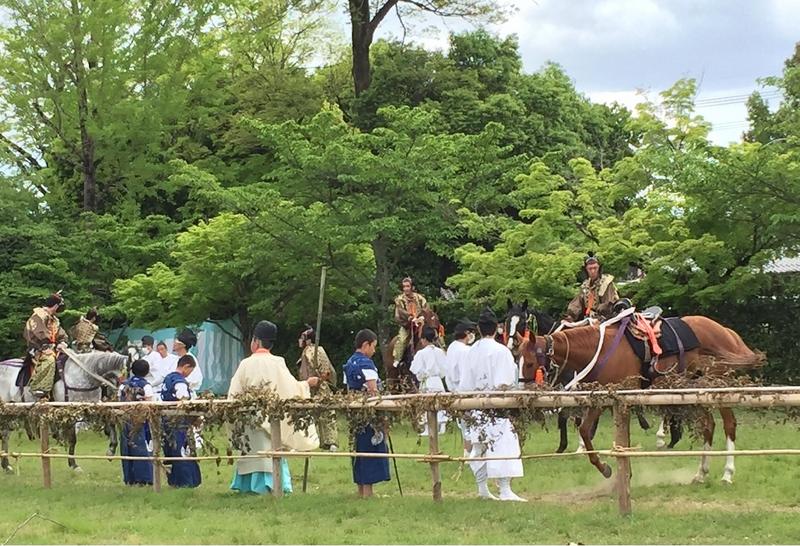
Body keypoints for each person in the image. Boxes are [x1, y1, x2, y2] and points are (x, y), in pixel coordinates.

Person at [228, 320, 320, 495]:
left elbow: (234, 393)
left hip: (249, 417)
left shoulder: (246, 364)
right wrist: (307, 384)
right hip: (272, 418)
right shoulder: (277, 362)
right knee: (271, 450)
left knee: (254, 450)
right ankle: (274, 484)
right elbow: (290, 389)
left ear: (255, 341)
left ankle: (248, 486)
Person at [459, 307, 526, 502]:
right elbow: (505, 381)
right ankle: (503, 489)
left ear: (479, 329)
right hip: (496, 405)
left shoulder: (471, 352)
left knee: (479, 448)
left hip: (475, 405)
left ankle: (483, 487)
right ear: (496, 328)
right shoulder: (501, 351)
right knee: (503, 447)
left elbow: (465, 383)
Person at [344, 329, 391, 498]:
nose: (374, 350)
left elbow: (348, 388)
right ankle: (368, 493)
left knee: (359, 448)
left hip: (355, 412)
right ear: (366, 345)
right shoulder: (366, 363)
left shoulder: (349, 363)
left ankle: (360, 490)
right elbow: (373, 389)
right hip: (369, 412)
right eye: (373, 346)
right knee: (371, 449)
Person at [160, 354, 202, 488]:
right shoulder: (180, 382)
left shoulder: (168, 378)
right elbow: (183, 399)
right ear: (186, 367)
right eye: (190, 370)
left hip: (166, 419)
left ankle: (173, 480)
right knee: (182, 450)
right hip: (179, 420)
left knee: (171, 450)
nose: (189, 374)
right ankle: (186, 482)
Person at [297, 326, 339, 451]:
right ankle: (316, 441)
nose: (299, 340)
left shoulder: (317, 351)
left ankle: (330, 442)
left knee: (326, 414)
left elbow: (326, 370)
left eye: (302, 338)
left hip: (320, 387)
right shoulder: (305, 352)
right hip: (309, 387)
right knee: (314, 416)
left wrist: (319, 380)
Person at [23, 292, 69, 398]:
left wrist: (62, 342)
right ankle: (39, 387)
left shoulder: (54, 320)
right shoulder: (38, 316)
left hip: (53, 348)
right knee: (49, 359)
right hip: (38, 348)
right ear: (56, 306)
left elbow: (60, 333)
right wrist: (46, 345)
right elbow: (37, 333)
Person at [444, 318, 477, 454]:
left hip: (453, 389)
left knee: (464, 426)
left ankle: (468, 452)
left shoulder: (452, 347)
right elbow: (466, 373)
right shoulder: (465, 351)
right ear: (466, 333)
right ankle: (471, 453)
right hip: (465, 389)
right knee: (470, 425)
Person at [119, 358, 154, 486]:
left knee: (126, 448)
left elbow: (120, 401)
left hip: (124, 419)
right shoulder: (146, 385)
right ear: (147, 372)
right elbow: (149, 403)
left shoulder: (123, 385)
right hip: (140, 420)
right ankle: (144, 478)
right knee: (141, 447)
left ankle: (129, 478)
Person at [409, 326, 448, 436]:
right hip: (437, 380)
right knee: (440, 401)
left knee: (426, 403)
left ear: (424, 339)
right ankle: (442, 425)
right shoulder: (440, 352)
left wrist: (421, 375)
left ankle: (428, 427)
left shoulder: (421, 353)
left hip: (428, 380)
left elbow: (415, 368)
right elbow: (444, 368)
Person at [565, 252, 620, 322]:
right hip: (589, 318)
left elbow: (610, 303)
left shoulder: (606, 282)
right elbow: (576, 303)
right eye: (590, 269)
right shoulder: (585, 286)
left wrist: (601, 311)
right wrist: (571, 315)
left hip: (607, 318)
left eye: (595, 268)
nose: (593, 271)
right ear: (586, 270)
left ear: (599, 268)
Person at [392, 277, 430, 368]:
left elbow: (426, 308)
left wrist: (421, 317)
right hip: (407, 324)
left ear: (412, 287)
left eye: (408, 286)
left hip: (421, 322)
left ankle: (443, 349)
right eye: (404, 287)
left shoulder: (420, 298)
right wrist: (409, 318)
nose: (406, 289)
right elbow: (400, 311)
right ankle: (397, 359)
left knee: (434, 332)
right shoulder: (399, 299)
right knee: (402, 339)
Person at [162, 329, 204, 394]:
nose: (174, 343)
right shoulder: (175, 358)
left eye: (177, 342)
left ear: (183, 345)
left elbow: (196, 379)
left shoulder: (190, 359)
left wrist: (179, 384)